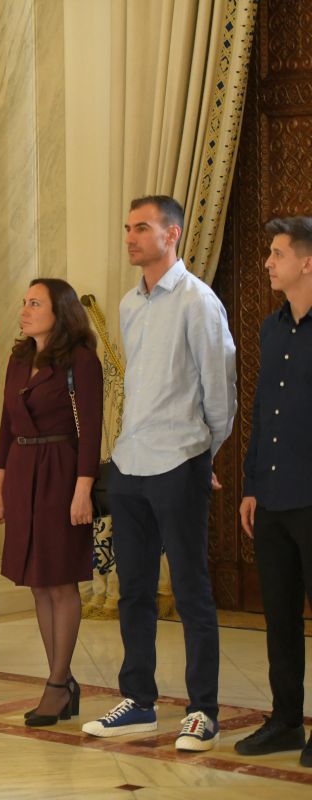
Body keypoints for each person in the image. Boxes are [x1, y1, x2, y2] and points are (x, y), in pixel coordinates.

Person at [82, 196, 236, 753]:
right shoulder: (129, 303)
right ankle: (139, 702)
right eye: (126, 228)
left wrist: (205, 454)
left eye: (141, 228)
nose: (130, 237)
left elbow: (220, 392)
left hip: (179, 459)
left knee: (192, 590)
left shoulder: (199, 302)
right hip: (130, 462)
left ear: (172, 235)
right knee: (134, 591)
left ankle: (203, 711)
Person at [0, 278, 102, 726]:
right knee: (37, 579)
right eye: (24, 302)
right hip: (21, 470)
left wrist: (83, 489)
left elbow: (91, 431)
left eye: (35, 303)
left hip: (62, 471)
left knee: (60, 580)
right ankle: (61, 679)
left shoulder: (81, 360)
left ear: (61, 311)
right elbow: (4, 425)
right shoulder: (19, 357)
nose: (25, 309)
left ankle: (57, 683)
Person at [235, 216, 312, 768]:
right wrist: (251, 485)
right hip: (274, 496)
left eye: (277, 253)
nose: (268, 262)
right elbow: (264, 412)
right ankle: (286, 721)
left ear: (306, 262)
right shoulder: (271, 327)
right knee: (280, 617)